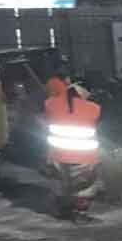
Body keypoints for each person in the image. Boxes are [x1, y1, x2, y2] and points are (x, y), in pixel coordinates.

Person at [44, 82, 101, 222]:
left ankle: (61, 209)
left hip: (57, 153)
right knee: (84, 185)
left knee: (59, 182)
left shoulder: (50, 104)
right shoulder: (94, 108)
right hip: (83, 154)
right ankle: (79, 213)